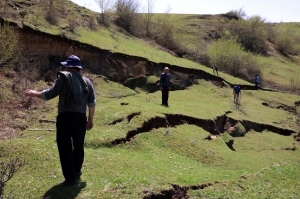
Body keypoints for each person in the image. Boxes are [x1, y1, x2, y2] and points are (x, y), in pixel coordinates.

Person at [24, 55, 96, 186]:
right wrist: (90, 120)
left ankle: (70, 179)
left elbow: (49, 94)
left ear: (69, 66)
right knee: (79, 145)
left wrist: (34, 93)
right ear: (78, 68)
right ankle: (77, 171)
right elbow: (91, 103)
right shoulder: (88, 82)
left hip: (65, 117)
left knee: (65, 147)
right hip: (81, 118)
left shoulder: (63, 77)